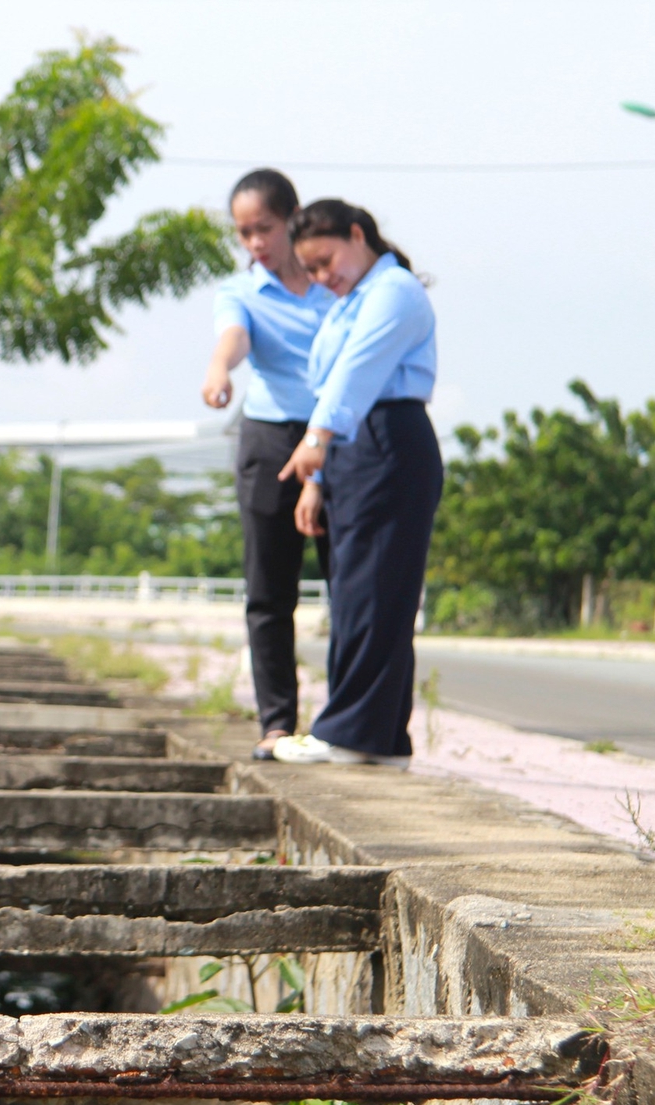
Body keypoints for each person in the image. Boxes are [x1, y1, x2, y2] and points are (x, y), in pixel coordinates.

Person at [269, 200, 440, 767]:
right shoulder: (351, 301)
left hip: (388, 439)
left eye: (327, 260)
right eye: (311, 270)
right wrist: (317, 476)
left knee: (375, 593)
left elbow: (356, 372)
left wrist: (315, 440)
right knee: (355, 592)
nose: (323, 277)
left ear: (358, 235)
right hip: (353, 445)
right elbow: (328, 383)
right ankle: (383, 738)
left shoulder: (394, 291)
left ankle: (350, 733)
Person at [200, 169, 336, 760]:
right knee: (268, 591)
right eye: (244, 232)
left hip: (336, 434)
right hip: (269, 438)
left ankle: (345, 723)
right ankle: (277, 721)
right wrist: (219, 368)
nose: (255, 242)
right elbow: (234, 336)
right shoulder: (241, 290)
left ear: (291, 219)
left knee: (347, 584)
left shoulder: (334, 281)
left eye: (265, 228)